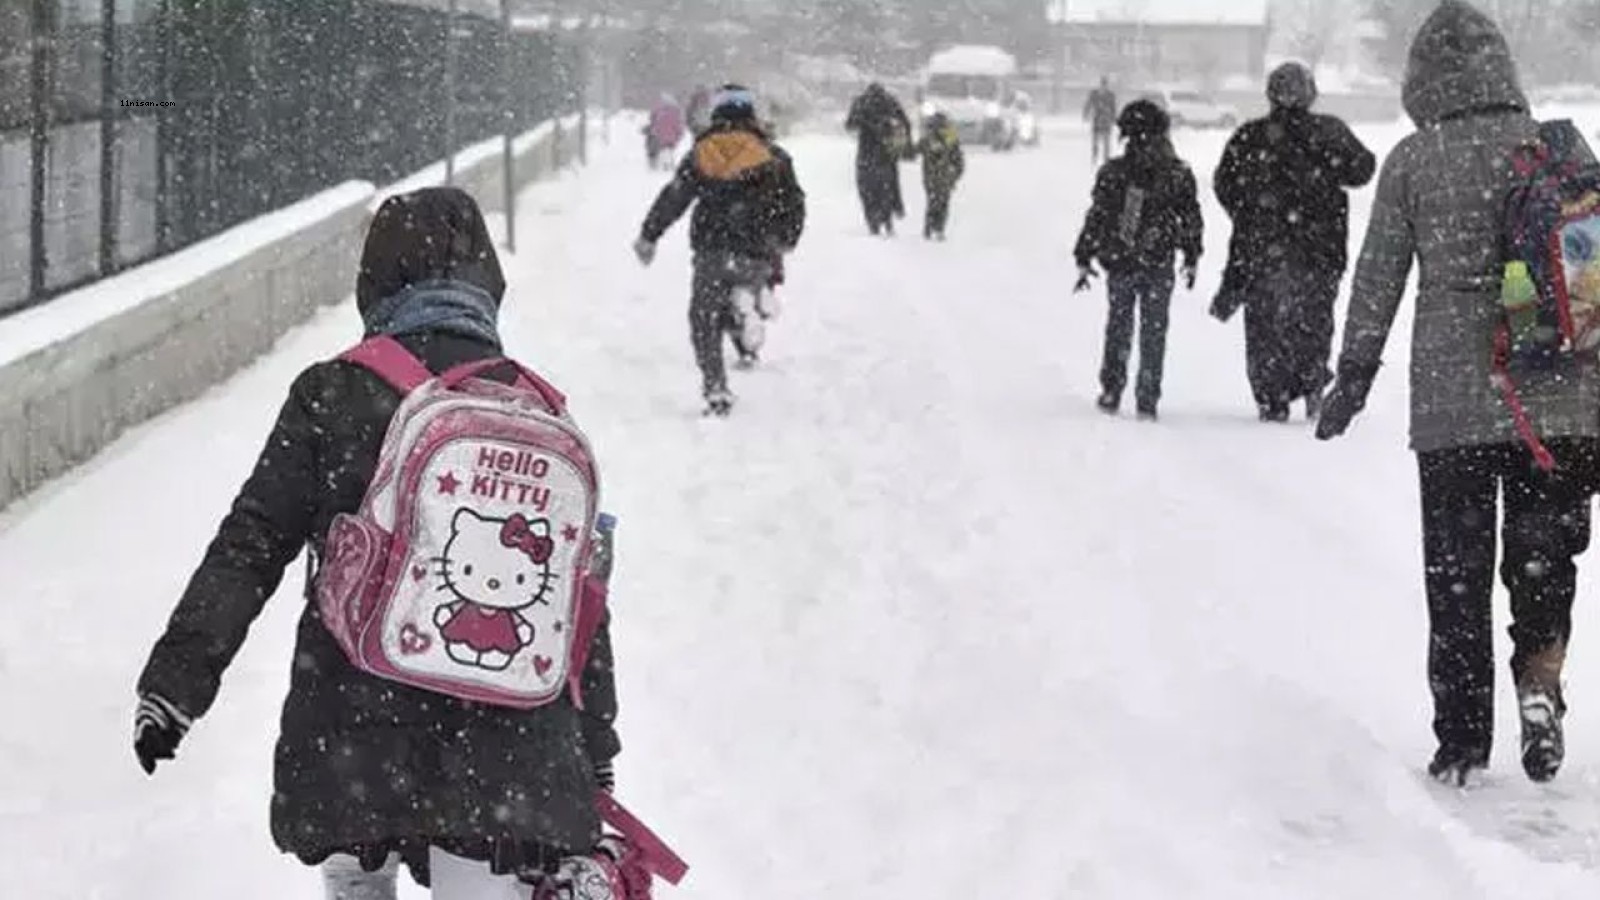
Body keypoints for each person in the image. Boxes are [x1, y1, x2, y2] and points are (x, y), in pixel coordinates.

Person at [132, 187, 621, 899]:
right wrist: (593, 751)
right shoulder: (538, 410)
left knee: (358, 874)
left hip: (354, 727)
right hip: (506, 747)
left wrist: (175, 685)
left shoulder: (333, 393)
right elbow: (580, 603)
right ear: (487, 281)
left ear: (375, 280)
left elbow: (252, 543)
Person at [1316, 0, 1600, 786]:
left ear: (1421, 79)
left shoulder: (1415, 159)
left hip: (1455, 405)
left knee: (1458, 575)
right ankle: (1540, 685)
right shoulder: (1555, 150)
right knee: (1544, 559)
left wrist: (1353, 376)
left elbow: (1377, 280)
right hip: (1563, 402)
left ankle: (1463, 740)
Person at [1213, 62, 1376, 422]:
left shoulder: (1250, 137)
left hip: (1261, 249)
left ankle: (1272, 395)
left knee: (1264, 325)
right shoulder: (1329, 132)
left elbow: (1224, 184)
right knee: (1314, 319)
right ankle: (1312, 380)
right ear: (1310, 93)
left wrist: (1249, 212)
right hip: (1321, 248)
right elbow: (1362, 169)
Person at [633, 84, 807, 416]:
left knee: (704, 317)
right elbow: (794, 203)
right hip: (756, 249)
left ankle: (716, 387)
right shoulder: (774, 156)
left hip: (712, 248)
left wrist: (649, 235)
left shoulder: (702, 153)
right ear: (752, 115)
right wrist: (786, 238)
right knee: (742, 289)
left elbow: (675, 197)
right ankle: (749, 311)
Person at [1073, 100, 1202, 421]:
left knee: (1119, 324)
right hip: (1159, 261)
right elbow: (1191, 218)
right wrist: (1191, 253)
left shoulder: (1114, 173)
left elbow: (1098, 216)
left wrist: (1085, 252)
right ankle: (1147, 395)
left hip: (1121, 259)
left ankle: (1112, 388)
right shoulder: (1178, 174)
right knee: (1154, 329)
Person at [846, 82, 913, 236]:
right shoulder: (890, 101)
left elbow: (850, 124)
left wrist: (864, 123)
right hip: (886, 152)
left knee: (867, 188)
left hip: (866, 152)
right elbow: (905, 123)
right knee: (888, 186)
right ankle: (889, 214)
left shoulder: (861, 102)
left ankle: (873, 220)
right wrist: (905, 145)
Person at [916, 110, 965, 241]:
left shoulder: (929, 139)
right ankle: (937, 228)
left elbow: (914, 150)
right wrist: (955, 174)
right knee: (941, 202)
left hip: (933, 177)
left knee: (933, 201)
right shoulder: (950, 139)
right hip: (944, 178)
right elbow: (959, 160)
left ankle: (931, 227)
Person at [645, 92, 686, 170]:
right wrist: (680, 133)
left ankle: (663, 162)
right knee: (669, 149)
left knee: (662, 149)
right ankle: (669, 163)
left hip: (661, 135)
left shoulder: (659, 110)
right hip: (672, 135)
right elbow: (679, 124)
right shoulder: (676, 111)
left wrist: (654, 131)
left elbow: (654, 121)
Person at [1084, 76, 1118, 167]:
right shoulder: (1094, 94)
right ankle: (1095, 156)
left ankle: (1106, 158)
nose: (1104, 86)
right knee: (1095, 140)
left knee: (1106, 141)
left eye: (1105, 84)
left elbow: (1113, 108)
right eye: (1103, 84)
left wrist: (1114, 118)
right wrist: (1086, 113)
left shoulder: (1111, 95)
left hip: (1106, 121)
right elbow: (1089, 104)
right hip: (1097, 119)